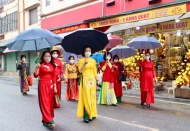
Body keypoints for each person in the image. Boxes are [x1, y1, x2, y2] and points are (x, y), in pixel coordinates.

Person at [33, 51, 56, 128]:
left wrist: (54, 86)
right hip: (43, 84)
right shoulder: (40, 65)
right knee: (44, 102)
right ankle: (49, 120)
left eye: (49, 56)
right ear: (43, 57)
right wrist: (36, 68)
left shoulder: (52, 65)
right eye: (45, 56)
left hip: (51, 85)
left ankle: (45, 119)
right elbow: (36, 75)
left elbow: (54, 76)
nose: (47, 57)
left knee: (50, 102)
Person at [77, 46, 97, 123]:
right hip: (85, 79)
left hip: (92, 80)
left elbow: (95, 70)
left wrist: (97, 79)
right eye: (86, 50)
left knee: (92, 97)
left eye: (89, 50)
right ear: (84, 52)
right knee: (86, 97)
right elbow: (80, 70)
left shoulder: (93, 60)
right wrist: (84, 64)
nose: (88, 52)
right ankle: (86, 115)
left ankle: (92, 113)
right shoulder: (81, 60)